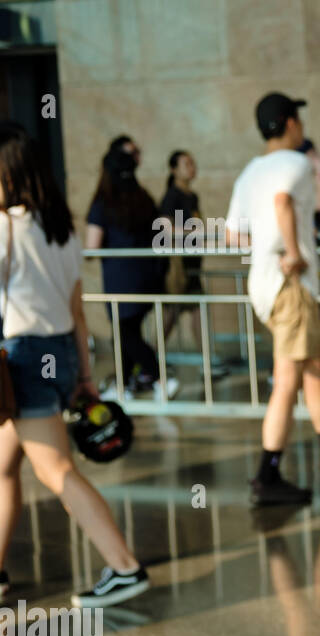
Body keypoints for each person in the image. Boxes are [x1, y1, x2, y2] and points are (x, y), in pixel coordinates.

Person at [0, 122, 149, 608]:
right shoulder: (59, 227)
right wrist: (84, 376)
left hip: (23, 357)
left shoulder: (7, 227)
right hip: (58, 352)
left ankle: (124, 567)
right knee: (3, 466)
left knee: (56, 469)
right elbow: (78, 311)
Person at [226, 92, 320, 506]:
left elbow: (233, 234)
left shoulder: (250, 171)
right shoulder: (295, 163)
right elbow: (283, 203)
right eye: (298, 119)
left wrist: (267, 249)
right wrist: (290, 251)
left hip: (266, 284)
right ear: (289, 122)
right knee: (288, 378)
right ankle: (266, 475)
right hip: (290, 287)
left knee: (314, 368)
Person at [85, 141, 179, 401]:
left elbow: (91, 247)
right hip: (147, 277)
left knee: (126, 335)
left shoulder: (103, 203)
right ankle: (122, 386)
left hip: (121, 281)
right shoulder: (143, 198)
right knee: (128, 334)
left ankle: (161, 377)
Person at [159, 149, 205, 349]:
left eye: (193, 163)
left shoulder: (192, 196)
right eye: (186, 164)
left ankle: (207, 360)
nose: (192, 168)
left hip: (192, 263)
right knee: (171, 314)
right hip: (177, 266)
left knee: (198, 309)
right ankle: (151, 360)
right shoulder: (171, 197)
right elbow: (165, 228)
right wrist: (193, 230)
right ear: (174, 170)